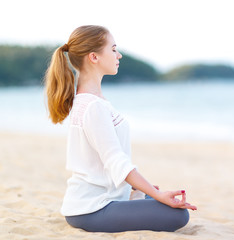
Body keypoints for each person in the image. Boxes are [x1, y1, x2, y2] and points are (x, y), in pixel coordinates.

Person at [44, 25, 197, 233]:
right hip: (93, 209)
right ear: (94, 57)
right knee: (178, 214)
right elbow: (116, 161)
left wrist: (141, 189)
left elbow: (101, 160)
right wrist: (153, 193)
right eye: (113, 49)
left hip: (89, 203)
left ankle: (139, 195)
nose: (119, 55)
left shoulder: (90, 101)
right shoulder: (93, 106)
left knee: (156, 196)